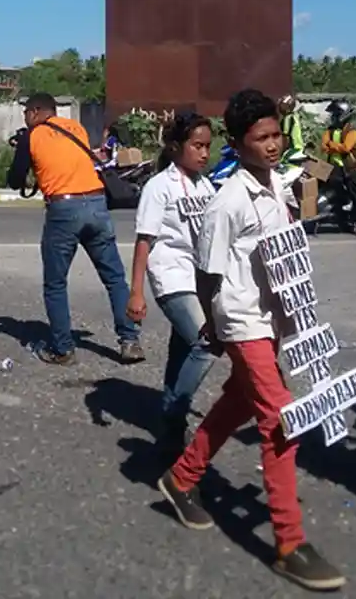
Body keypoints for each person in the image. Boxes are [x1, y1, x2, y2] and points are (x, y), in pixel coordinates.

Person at [156, 89, 346, 592]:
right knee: (280, 418)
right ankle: (289, 543)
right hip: (242, 323)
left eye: (276, 134)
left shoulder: (279, 188)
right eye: (261, 138)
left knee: (239, 403)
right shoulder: (228, 201)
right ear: (237, 145)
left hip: (274, 321)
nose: (273, 144)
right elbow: (207, 272)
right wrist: (213, 326)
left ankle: (181, 477)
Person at [6, 93, 142, 365]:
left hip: (64, 209)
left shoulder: (32, 136)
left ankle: (63, 349)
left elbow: (14, 180)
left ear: (35, 111)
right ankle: (130, 342)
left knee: (55, 284)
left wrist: (24, 153)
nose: (24, 117)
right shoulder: (76, 128)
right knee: (115, 278)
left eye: (25, 112)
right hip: (96, 203)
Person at [126, 112, 217, 455]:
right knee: (207, 344)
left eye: (208, 146)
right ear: (177, 147)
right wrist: (136, 293)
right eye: (197, 146)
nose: (204, 153)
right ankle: (174, 414)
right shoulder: (158, 187)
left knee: (182, 350)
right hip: (171, 277)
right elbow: (144, 241)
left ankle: (170, 435)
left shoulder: (204, 184)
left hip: (199, 279)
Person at [321, 100, 356, 238]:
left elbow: (346, 147)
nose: (332, 117)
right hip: (335, 168)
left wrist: (331, 145)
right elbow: (323, 146)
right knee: (335, 194)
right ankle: (345, 220)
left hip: (350, 167)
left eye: (335, 114)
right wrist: (333, 146)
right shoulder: (330, 130)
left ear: (343, 115)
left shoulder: (351, 130)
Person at [277, 95, 305, 160]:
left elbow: (285, 137)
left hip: (292, 149)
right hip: (299, 148)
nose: (280, 108)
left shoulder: (287, 118)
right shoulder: (295, 116)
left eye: (282, 106)